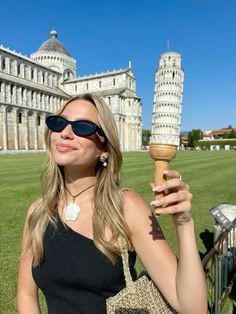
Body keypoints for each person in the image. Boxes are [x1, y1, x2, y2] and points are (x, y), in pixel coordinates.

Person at [17, 93, 207, 314]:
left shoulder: (125, 206)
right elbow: (26, 294)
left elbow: (192, 308)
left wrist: (184, 224)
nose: (65, 133)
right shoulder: (38, 212)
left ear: (105, 149)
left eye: (82, 127)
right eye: (59, 123)